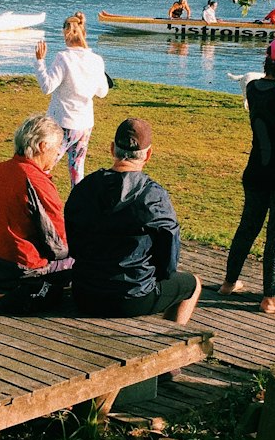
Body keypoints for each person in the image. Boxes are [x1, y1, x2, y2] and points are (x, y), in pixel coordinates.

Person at [64, 118, 202, 324]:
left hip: (85, 292)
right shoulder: (152, 195)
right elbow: (169, 259)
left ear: (112, 149)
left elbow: (72, 241)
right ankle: (169, 337)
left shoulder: (86, 187)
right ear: (148, 154)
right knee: (193, 285)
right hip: (133, 295)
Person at [220, 36, 275, 314]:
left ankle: (229, 282)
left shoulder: (252, 87)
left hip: (257, 168)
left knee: (248, 226)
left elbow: (266, 97)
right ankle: (272, 297)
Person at [0, 114, 73, 308]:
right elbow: (59, 244)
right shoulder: (36, 181)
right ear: (43, 146)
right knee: (86, 260)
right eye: (57, 148)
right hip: (20, 269)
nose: (58, 154)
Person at [34, 11, 109, 187]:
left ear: (65, 34)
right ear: (84, 33)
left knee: (44, 166)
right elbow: (102, 92)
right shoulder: (96, 60)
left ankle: (35, 199)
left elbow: (47, 87)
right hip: (84, 124)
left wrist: (39, 62)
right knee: (77, 169)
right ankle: (80, 207)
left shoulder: (63, 58)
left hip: (63, 123)